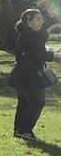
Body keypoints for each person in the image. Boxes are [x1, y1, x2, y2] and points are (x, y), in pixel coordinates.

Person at [9, 8, 57, 140]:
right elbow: (34, 53)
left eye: (41, 18)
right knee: (38, 101)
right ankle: (25, 130)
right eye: (38, 18)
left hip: (25, 75)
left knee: (24, 102)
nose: (42, 21)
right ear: (29, 22)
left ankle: (19, 131)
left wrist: (50, 54)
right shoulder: (27, 35)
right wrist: (52, 56)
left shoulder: (33, 34)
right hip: (27, 75)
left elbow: (38, 51)